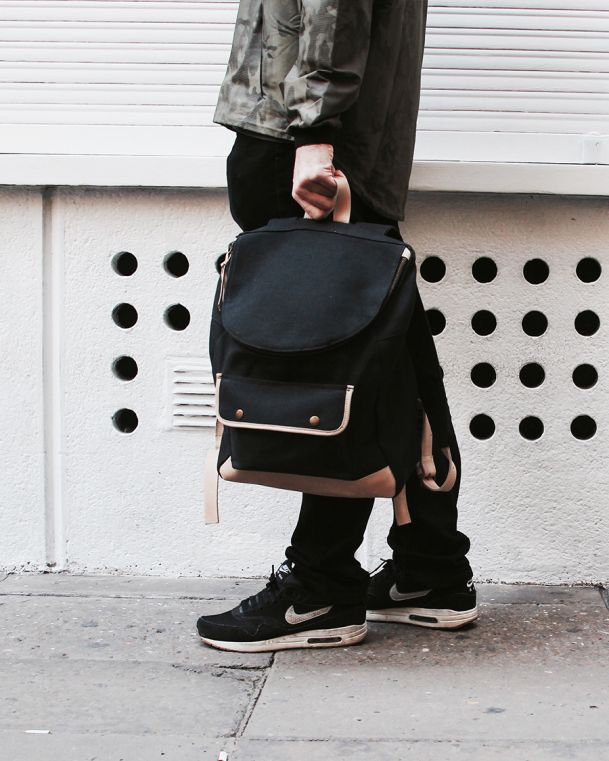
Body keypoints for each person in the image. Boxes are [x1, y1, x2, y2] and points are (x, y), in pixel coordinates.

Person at [196, 0, 476, 652]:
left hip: (301, 132)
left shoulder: (313, 134)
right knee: (391, 359)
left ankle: (320, 589)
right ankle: (429, 566)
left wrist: (314, 133)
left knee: (333, 368)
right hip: (332, 131)